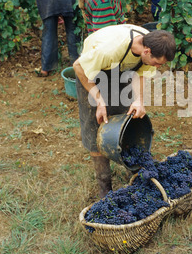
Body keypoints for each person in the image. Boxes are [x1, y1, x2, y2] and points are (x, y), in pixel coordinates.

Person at [73, 24, 176, 198]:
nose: (158, 67)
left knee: (126, 121)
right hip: (91, 72)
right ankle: (104, 187)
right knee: (95, 126)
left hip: (120, 72)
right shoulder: (109, 50)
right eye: (157, 63)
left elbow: (141, 72)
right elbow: (78, 66)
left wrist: (139, 100)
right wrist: (99, 99)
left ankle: (135, 174)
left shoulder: (151, 44)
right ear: (146, 51)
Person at [35, 0, 81, 77]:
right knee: (72, 28)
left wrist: (51, 12)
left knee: (49, 31)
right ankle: (75, 63)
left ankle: (46, 68)